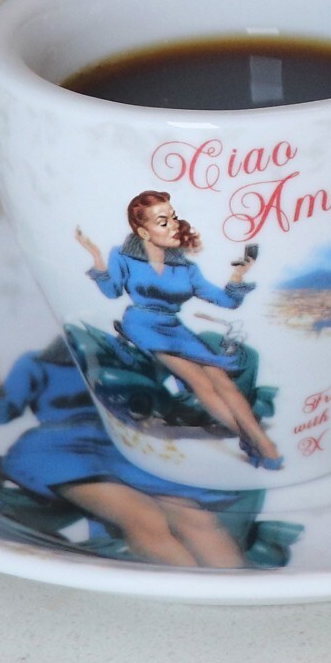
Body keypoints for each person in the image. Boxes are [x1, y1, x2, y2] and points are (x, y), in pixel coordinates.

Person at [0, 319, 247, 567]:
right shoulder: (41, 363)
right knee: (143, 515)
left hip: (123, 448)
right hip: (58, 448)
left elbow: (170, 404)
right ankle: (187, 589)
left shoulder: (139, 362)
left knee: (197, 517)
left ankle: (231, 589)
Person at [76, 189, 284, 470]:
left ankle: (253, 440)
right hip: (142, 324)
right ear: (143, 231)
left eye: (173, 218)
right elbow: (112, 292)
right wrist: (97, 257)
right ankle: (263, 444)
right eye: (163, 222)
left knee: (221, 380)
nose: (174, 225)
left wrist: (238, 276)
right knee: (200, 382)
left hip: (174, 327)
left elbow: (226, 301)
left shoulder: (186, 268)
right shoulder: (123, 256)